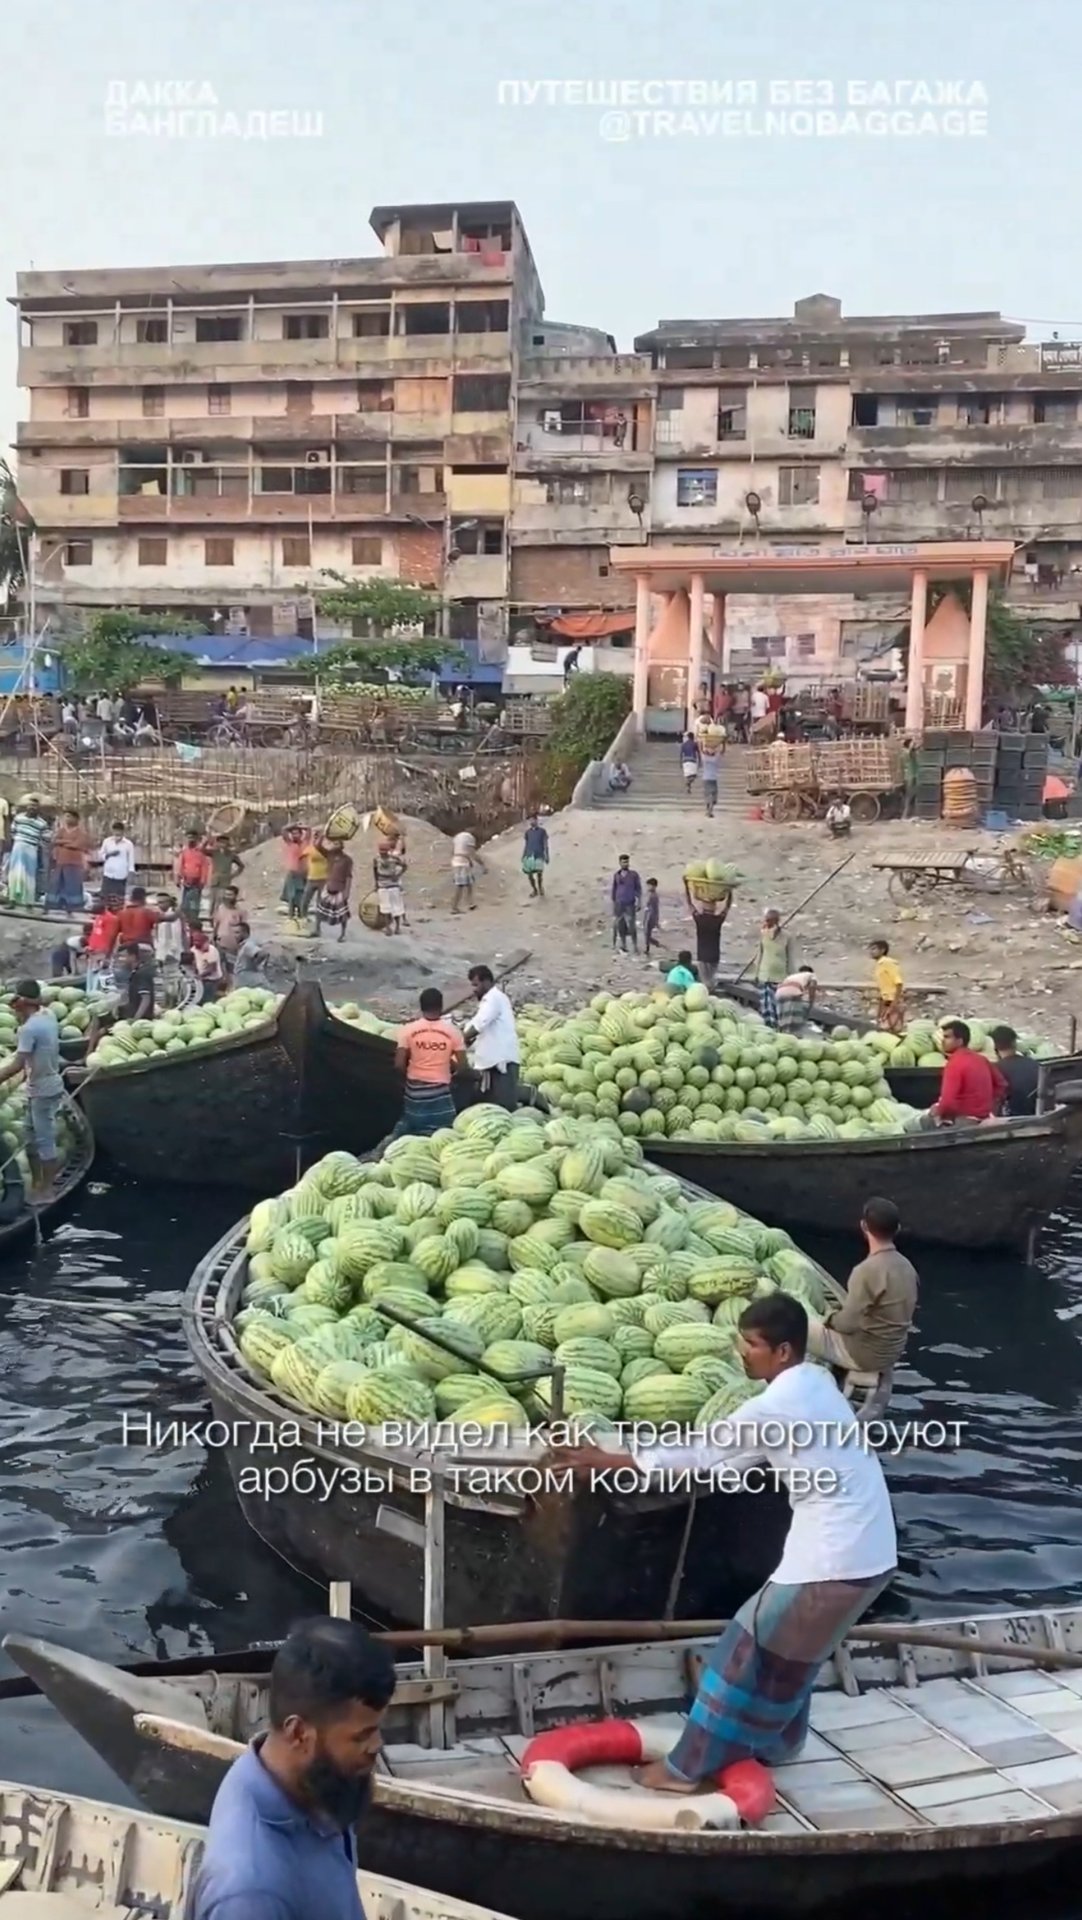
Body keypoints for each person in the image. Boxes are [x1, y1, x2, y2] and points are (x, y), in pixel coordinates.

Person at [553, 1294, 896, 1793]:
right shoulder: (818, 1384)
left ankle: (684, 1770)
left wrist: (609, 1461)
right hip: (875, 1555)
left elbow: (703, 1451)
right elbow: (736, 1459)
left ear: (782, 1351)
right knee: (795, 1655)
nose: (742, 1353)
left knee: (741, 1651)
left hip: (832, 1559)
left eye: (751, 1344)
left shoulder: (774, 1405)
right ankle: (780, 1743)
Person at [189, 1615, 396, 1920]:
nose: (377, 1745)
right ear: (298, 1733)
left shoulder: (321, 1783)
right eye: (361, 1736)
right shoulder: (252, 1893)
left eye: (377, 1729)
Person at [807, 1197, 918, 1375]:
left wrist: (829, 1319)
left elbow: (847, 1324)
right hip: (892, 1353)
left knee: (795, 1326)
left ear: (864, 1226)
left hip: (863, 1357)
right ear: (897, 1229)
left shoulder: (865, 1271)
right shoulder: (908, 1268)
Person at [0, 980, 64, 1199]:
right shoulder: (48, 1015)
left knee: (44, 1140)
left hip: (42, 1089)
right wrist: (22, 1012)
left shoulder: (29, 1029)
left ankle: (48, 1188)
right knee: (29, 1134)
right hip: (46, 1084)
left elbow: (17, 1065)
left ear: (22, 1001)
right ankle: (37, 1182)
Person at [393, 986, 468, 1136]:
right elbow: (463, 1068)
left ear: (421, 1007)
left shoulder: (407, 1030)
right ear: (441, 1006)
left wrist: (408, 1082)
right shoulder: (453, 1032)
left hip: (414, 1093)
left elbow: (399, 1064)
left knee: (414, 1134)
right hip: (440, 1093)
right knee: (442, 1136)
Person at [922, 1019, 1007, 1128]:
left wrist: (938, 1111)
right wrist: (988, 1107)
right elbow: (1001, 1085)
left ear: (960, 1041)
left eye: (947, 1037)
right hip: (985, 1118)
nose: (943, 1041)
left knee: (922, 1124)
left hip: (964, 1121)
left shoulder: (954, 1064)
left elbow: (948, 1102)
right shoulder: (981, 1059)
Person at [464, 964, 520, 1109]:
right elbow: (475, 1023)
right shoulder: (489, 1001)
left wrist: (461, 1040)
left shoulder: (493, 998)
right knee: (492, 1106)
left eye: (476, 985)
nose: (474, 989)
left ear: (487, 982)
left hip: (502, 1062)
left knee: (504, 1107)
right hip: (493, 1062)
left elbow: (480, 1024)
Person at [4, 797, 49, 907]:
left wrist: (37, 843)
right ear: (27, 807)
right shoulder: (18, 818)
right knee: (15, 873)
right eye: (30, 805)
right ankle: (12, 900)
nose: (32, 808)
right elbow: (13, 831)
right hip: (18, 847)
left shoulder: (42, 823)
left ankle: (29, 902)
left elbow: (46, 838)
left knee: (30, 874)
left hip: (32, 848)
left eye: (35, 806)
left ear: (38, 808)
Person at [990, 1024, 1041, 1117]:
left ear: (994, 1046)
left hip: (1012, 1119)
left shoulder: (995, 1070)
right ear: (1014, 1043)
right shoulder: (1033, 1064)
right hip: (1036, 1114)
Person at [47, 809, 90, 914]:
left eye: (69, 817)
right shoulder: (61, 830)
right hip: (61, 861)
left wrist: (62, 843)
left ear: (76, 819)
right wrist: (67, 841)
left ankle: (74, 905)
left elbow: (77, 845)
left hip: (74, 863)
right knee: (58, 883)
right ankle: (57, 903)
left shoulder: (81, 833)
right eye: (66, 817)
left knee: (73, 884)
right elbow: (54, 841)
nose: (67, 819)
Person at [755, 909, 792, 1028]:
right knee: (766, 1005)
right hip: (764, 974)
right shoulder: (763, 934)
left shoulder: (786, 936)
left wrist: (790, 976)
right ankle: (768, 1026)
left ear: (775, 921)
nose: (766, 923)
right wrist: (756, 972)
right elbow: (760, 953)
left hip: (779, 976)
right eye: (766, 921)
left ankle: (777, 1026)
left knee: (777, 1005)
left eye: (769, 921)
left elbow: (790, 957)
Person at [689, 894, 729, 991]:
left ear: (703, 908)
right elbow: (727, 907)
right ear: (714, 908)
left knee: (704, 982)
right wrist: (729, 894)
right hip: (714, 955)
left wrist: (686, 889)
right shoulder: (718, 920)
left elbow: (690, 904)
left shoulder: (699, 919)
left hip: (702, 955)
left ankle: (705, 995)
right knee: (711, 980)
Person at [315, 841, 354, 943]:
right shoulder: (330, 855)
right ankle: (317, 930)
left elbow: (349, 876)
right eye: (334, 843)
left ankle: (343, 934)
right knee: (320, 909)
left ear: (342, 846)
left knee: (342, 914)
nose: (334, 846)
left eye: (337, 844)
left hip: (340, 889)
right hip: (329, 886)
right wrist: (321, 836)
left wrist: (347, 891)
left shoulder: (347, 860)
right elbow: (318, 846)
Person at [97, 819, 137, 910]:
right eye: (115, 831)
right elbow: (100, 855)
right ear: (113, 831)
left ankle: (118, 913)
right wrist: (109, 854)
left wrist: (131, 872)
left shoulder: (128, 844)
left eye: (119, 832)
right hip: (108, 873)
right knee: (105, 896)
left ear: (123, 832)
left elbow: (131, 860)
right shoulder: (107, 841)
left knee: (119, 897)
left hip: (121, 874)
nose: (117, 833)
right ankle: (105, 913)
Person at [869, 938, 905, 1035]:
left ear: (882, 950)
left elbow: (898, 983)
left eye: (874, 949)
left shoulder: (888, 963)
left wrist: (894, 1003)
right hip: (886, 1001)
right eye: (870, 949)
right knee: (885, 1029)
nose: (871, 952)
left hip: (893, 1001)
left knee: (893, 1029)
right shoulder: (879, 965)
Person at [112, 938, 155, 1020]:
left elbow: (146, 999)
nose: (120, 960)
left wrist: (135, 1019)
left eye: (123, 956)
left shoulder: (141, 974)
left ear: (133, 957)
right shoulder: (134, 972)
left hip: (142, 1020)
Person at [174, 830, 211, 924]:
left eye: (193, 837)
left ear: (196, 839)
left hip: (197, 882)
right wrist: (178, 879)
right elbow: (180, 866)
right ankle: (184, 921)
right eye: (189, 837)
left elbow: (204, 867)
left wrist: (202, 881)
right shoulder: (184, 852)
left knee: (194, 904)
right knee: (185, 904)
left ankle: (193, 921)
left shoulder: (200, 853)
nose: (191, 839)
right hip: (186, 881)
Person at [84, 902, 121, 992]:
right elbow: (96, 934)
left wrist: (108, 955)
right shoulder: (99, 917)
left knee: (100, 976)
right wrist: (90, 946)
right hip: (93, 951)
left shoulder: (112, 919)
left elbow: (111, 937)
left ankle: (96, 993)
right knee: (91, 974)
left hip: (103, 951)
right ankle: (89, 992)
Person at [116, 885, 163, 955]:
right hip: (143, 946)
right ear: (143, 898)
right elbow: (165, 918)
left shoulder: (121, 913)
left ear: (131, 898)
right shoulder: (147, 912)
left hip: (126, 947)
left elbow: (114, 933)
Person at [611, 853, 642, 953]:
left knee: (632, 925)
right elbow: (614, 890)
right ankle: (623, 944)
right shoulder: (617, 875)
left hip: (630, 903)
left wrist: (639, 902)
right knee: (621, 925)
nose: (625, 864)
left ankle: (635, 945)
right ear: (620, 863)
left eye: (627, 862)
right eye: (623, 862)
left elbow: (638, 889)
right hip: (619, 903)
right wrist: (614, 903)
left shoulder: (633, 875)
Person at [374, 839, 406, 936]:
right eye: (381, 851)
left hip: (393, 885)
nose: (382, 853)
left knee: (396, 907)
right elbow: (375, 871)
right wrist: (376, 883)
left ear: (388, 850)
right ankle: (388, 927)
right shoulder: (376, 859)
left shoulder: (394, 859)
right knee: (385, 907)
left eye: (384, 851)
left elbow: (404, 866)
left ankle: (397, 927)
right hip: (382, 884)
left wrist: (398, 875)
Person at [206, 836, 244, 914]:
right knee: (213, 900)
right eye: (221, 842)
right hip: (215, 880)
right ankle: (212, 917)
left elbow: (241, 866)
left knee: (221, 901)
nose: (223, 844)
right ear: (218, 843)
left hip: (225, 881)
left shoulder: (231, 855)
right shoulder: (215, 852)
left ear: (227, 843)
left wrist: (233, 875)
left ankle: (220, 916)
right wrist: (206, 840)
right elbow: (202, 850)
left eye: (224, 842)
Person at [775, 963, 817, 1034]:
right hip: (793, 992)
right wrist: (811, 1002)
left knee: (783, 1017)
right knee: (795, 1017)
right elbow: (812, 987)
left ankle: (782, 1033)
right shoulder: (812, 975)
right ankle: (793, 1034)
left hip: (779, 992)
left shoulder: (792, 976)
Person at [213, 885, 247, 973]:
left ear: (235, 896)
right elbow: (216, 924)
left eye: (230, 895)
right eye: (226, 894)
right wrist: (214, 938)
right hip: (220, 943)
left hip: (233, 946)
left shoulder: (240, 911)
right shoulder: (220, 908)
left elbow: (244, 928)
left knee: (231, 970)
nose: (227, 897)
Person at [450, 828, 484, 913]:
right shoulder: (469, 838)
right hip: (462, 863)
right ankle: (454, 907)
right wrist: (482, 864)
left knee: (469, 883)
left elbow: (453, 851)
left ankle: (471, 903)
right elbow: (472, 853)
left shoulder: (457, 836)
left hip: (456, 861)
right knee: (460, 885)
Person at [279, 825, 308, 925]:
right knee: (291, 897)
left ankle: (301, 918)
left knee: (301, 898)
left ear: (301, 834)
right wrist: (294, 825)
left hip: (303, 874)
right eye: (293, 833)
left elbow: (309, 830)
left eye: (297, 833)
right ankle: (290, 918)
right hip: (292, 873)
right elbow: (283, 830)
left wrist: (300, 826)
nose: (295, 835)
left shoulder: (305, 843)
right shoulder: (290, 843)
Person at [299, 833, 330, 924]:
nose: (316, 839)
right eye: (315, 837)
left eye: (318, 837)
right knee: (305, 899)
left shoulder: (325, 850)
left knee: (320, 902)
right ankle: (303, 918)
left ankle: (318, 922)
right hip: (311, 878)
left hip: (323, 878)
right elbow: (300, 858)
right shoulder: (309, 849)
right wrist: (303, 869)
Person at [189, 926, 225, 1002]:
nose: (196, 943)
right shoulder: (193, 950)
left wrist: (200, 976)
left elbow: (212, 968)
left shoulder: (211, 950)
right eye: (194, 941)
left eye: (198, 941)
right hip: (200, 979)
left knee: (207, 998)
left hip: (211, 979)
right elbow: (192, 964)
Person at [232, 922, 270, 991]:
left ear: (245, 933)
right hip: (245, 982)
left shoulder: (248, 946)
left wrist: (256, 963)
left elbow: (263, 954)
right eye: (234, 933)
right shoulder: (244, 945)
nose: (234, 936)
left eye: (237, 933)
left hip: (249, 981)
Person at [521, 814, 549, 898]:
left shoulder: (542, 831)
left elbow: (545, 844)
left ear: (537, 820)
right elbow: (526, 844)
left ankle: (540, 888)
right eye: (530, 820)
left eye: (533, 820)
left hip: (539, 854)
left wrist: (546, 855)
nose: (531, 822)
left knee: (539, 873)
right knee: (529, 874)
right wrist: (524, 855)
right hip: (529, 854)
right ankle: (534, 889)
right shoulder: (527, 833)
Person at [699, 741, 721, 818]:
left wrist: (701, 742)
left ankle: (708, 810)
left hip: (706, 779)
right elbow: (721, 752)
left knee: (708, 796)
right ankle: (710, 811)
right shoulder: (715, 759)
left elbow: (700, 750)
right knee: (713, 797)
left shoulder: (704, 758)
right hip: (713, 779)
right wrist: (721, 743)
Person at [643, 877, 662, 954]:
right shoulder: (650, 894)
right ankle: (650, 946)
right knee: (646, 933)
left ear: (654, 886)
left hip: (651, 915)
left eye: (649, 886)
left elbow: (655, 908)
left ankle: (649, 947)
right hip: (648, 914)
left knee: (647, 933)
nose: (648, 887)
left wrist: (656, 920)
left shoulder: (653, 896)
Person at [902, 737, 919, 819]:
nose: (914, 744)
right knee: (909, 796)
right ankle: (905, 815)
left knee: (913, 795)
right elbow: (910, 753)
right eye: (912, 743)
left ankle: (911, 814)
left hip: (913, 775)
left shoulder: (912, 752)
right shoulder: (907, 753)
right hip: (910, 776)